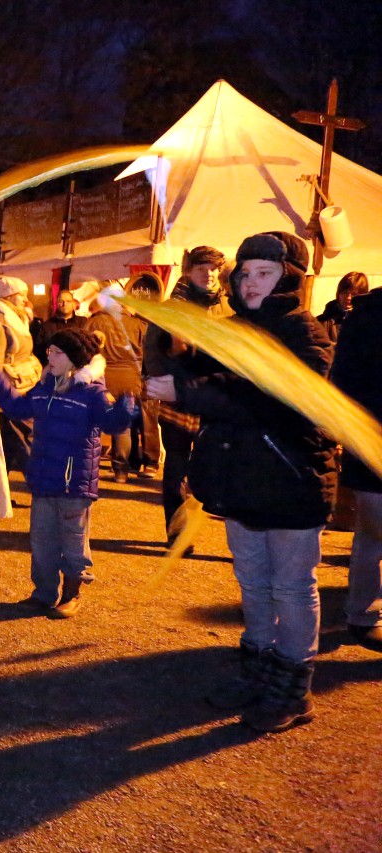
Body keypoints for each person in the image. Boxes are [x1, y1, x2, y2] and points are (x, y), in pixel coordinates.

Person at [146, 232, 336, 733]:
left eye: (264, 273)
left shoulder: (303, 332)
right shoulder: (232, 329)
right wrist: (168, 337)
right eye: (246, 273)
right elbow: (193, 370)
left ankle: (293, 687)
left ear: (288, 278)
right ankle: (257, 666)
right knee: (252, 581)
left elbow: (279, 398)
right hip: (242, 478)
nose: (251, 282)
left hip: (290, 478)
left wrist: (189, 389)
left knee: (292, 586)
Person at [0, 328, 135, 617]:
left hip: (74, 484)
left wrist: (126, 408)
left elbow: (112, 424)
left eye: (57, 352)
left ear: (76, 359)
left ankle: (71, 593)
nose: (49, 356)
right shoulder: (44, 388)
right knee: (41, 541)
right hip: (44, 479)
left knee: (73, 541)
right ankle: (43, 593)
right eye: (49, 351)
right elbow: (17, 406)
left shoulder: (92, 393)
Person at [142, 246, 230, 541]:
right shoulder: (170, 308)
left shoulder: (229, 307)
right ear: (189, 272)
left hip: (216, 398)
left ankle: (214, 521)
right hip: (178, 396)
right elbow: (152, 350)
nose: (209, 274)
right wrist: (160, 384)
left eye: (214, 269)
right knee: (177, 466)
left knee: (213, 464)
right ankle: (178, 534)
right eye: (202, 269)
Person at [329, 277, 382, 653]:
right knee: (374, 532)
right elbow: (344, 381)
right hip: (374, 438)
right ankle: (365, 614)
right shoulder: (368, 318)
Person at [0, 275, 42, 473]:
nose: (25, 299)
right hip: (7, 393)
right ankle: (40, 484)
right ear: (9, 296)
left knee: (9, 447)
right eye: (21, 295)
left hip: (23, 387)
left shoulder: (17, 319)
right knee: (19, 441)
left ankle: (0, 495)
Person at [84, 283, 143, 483]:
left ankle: (88, 466)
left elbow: (83, 348)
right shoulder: (137, 324)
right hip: (130, 378)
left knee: (93, 422)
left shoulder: (94, 322)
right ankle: (121, 471)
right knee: (123, 425)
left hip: (102, 376)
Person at [126, 272, 164, 477]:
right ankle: (135, 460)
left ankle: (150, 460)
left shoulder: (157, 324)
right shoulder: (129, 324)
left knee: (148, 421)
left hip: (149, 376)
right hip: (133, 376)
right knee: (132, 420)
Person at [32, 289, 86, 364]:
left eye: (68, 301)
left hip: (78, 367)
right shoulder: (47, 326)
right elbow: (39, 350)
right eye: (61, 301)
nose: (64, 304)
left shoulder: (83, 323)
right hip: (55, 368)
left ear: (73, 304)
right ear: (56, 304)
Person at [317, 271, 368, 343]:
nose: (348, 297)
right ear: (338, 293)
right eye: (345, 293)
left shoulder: (370, 324)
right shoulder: (320, 322)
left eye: (354, 294)